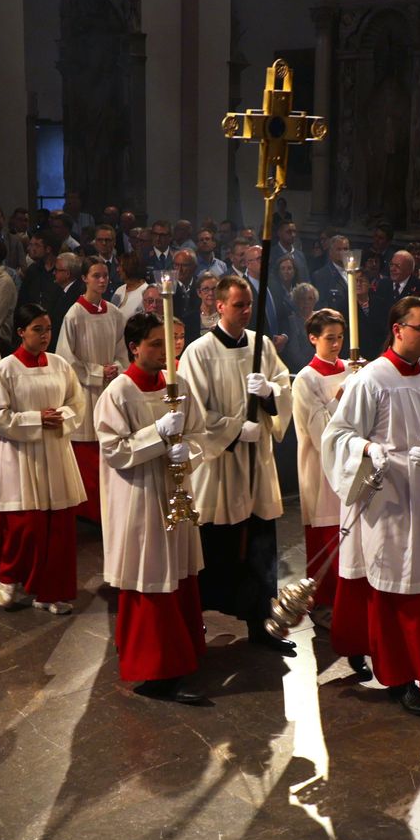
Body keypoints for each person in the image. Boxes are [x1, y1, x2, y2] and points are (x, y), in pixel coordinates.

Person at [323, 295, 420, 718]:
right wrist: (369, 447)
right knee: (392, 585)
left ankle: (416, 669)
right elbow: (338, 434)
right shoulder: (372, 379)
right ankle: (399, 677)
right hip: (388, 496)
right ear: (398, 329)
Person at [96, 310, 208, 704]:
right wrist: (155, 437)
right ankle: (156, 671)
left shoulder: (177, 385)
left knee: (177, 572)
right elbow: (113, 449)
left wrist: (185, 452)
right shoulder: (119, 392)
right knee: (151, 576)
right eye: (155, 344)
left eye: (168, 343)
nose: (165, 351)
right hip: (140, 496)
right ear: (133, 347)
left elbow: (196, 434)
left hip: (174, 491)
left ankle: (184, 654)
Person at [181, 274, 295, 654]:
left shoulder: (261, 344)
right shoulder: (198, 352)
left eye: (249, 305)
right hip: (221, 467)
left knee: (260, 544)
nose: (246, 312)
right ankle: (199, 622)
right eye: (238, 305)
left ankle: (261, 624)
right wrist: (232, 429)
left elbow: (282, 385)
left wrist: (269, 394)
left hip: (256, 462)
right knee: (217, 546)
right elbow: (193, 411)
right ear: (219, 306)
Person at [0, 304, 87, 614]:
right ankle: (10, 575)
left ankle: (49, 593)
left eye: (48, 329)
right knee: (26, 526)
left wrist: (62, 416)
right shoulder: (5, 369)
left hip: (55, 453)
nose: (44, 336)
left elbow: (76, 403)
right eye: (37, 329)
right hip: (21, 457)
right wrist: (35, 420)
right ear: (20, 332)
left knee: (58, 530)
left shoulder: (59, 364)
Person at [290, 310, 350, 615]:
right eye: (330, 338)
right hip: (320, 467)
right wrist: (340, 396)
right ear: (313, 338)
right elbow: (318, 431)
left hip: (351, 465)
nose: (337, 343)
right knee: (325, 539)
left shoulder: (352, 368)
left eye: (340, 336)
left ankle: (350, 601)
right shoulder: (306, 379)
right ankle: (325, 603)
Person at [55, 258, 124, 523]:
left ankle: (107, 510)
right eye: (96, 275)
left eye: (105, 275)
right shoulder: (75, 314)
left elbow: (121, 351)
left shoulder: (114, 313)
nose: (102, 280)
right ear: (84, 278)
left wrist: (116, 368)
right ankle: (89, 511)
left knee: (106, 451)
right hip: (86, 390)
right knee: (87, 455)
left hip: (109, 389)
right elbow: (66, 358)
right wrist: (97, 372)